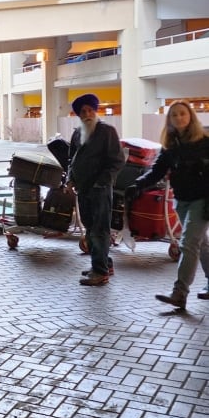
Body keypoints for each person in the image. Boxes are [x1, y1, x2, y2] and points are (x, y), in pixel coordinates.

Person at [127, 100, 209, 308]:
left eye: (183, 113)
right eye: (174, 115)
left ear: (190, 116)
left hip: (203, 200)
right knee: (201, 244)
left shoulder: (204, 142)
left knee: (189, 243)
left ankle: (179, 293)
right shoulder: (170, 147)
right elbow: (157, 171)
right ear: (169, 120)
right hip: (181, 200)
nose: (179, 118)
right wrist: (138, 185)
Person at [66, 93, 125, 286]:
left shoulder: (107, 131)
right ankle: (104, 264)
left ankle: (100, 272)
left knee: (99, 230)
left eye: (90, 110)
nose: (87, 114)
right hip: (83, 189)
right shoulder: (77, 133)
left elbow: (117, 161)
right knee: (91, 227)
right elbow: (71, 160)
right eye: (83, 111)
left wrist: (102, 182)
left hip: (100, 190)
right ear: (79, 115)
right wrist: (70, 179)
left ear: (95, 111)